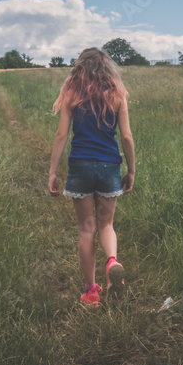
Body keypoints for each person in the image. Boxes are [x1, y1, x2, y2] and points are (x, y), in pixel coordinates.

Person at [48, 47, 135, 307]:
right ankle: (112, 262)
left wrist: (52, 172)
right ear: (107, 67)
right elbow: (127, 137)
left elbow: (61, 136)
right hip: (109, 166)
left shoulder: (72, 92)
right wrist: (130, 170)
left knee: (87, 230)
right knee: (106, 225)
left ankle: (90, 293)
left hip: (80, 166)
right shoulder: (118, 93)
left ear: (80, 67)